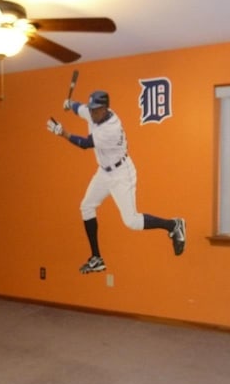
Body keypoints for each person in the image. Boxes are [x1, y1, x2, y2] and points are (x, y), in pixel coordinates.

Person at [46, 90, 186, 274]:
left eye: (96, 110)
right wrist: (69, 104)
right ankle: (96, 258)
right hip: (104, 172)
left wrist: (62, 133)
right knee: (86, 206)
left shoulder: (110, 128)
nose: (93, 113)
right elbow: (80, 108)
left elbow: (85, 144)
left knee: (132, 222)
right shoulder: (93, 112)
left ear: (105, 109)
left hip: (121, 173)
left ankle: (173, 225)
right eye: (92, 109)